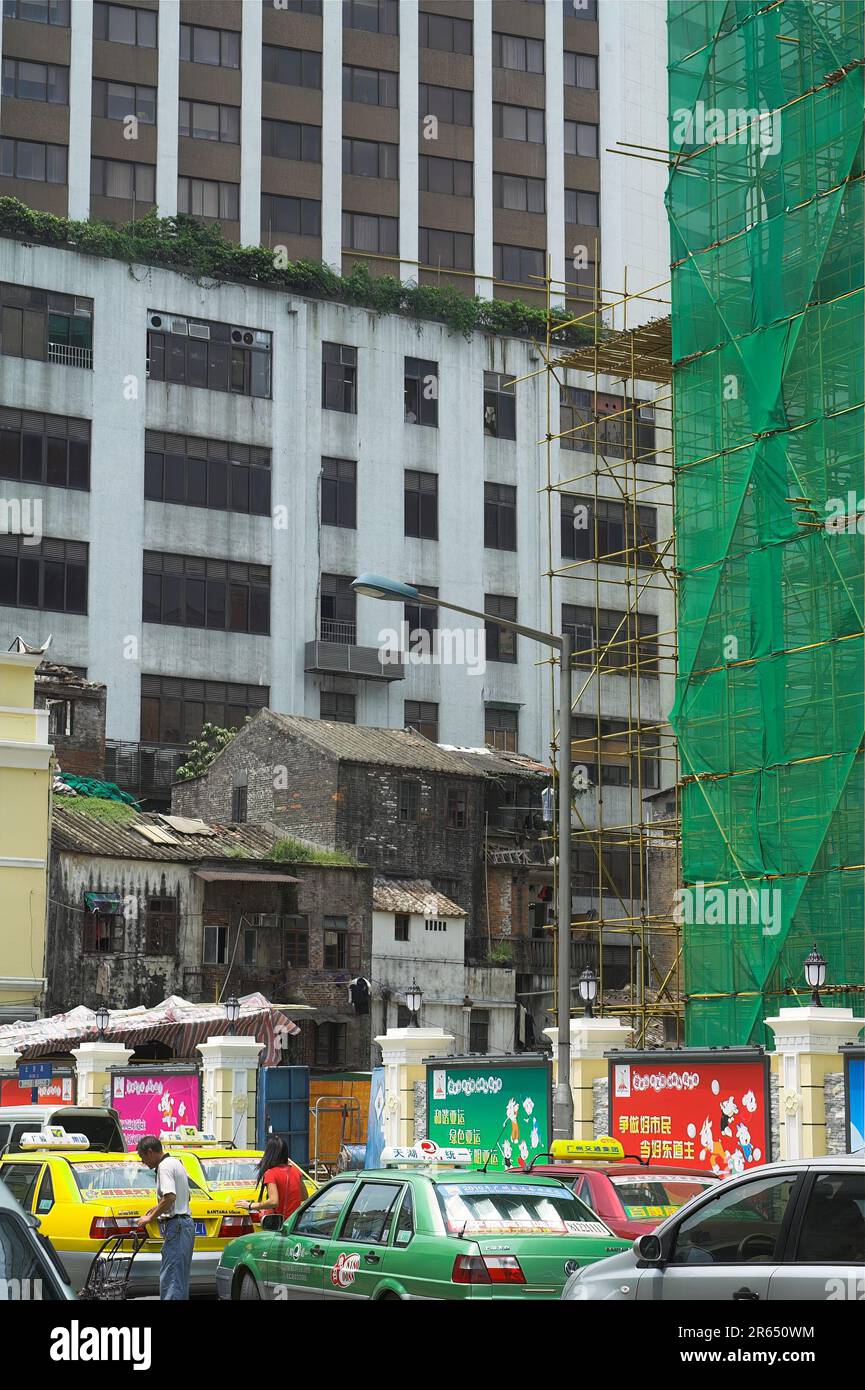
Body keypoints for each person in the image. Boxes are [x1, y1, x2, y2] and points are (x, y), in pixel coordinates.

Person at [135, 1134, 196, 1300]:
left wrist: (150, 1218)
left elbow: (170, 1197)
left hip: (177, 1226)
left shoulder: (164, 1167)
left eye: (142, 1157)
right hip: (184, 1225)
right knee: (178, 1277)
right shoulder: (175, 1162)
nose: (143, 1162)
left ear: (149, 1152)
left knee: (172, 1278)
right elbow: (184, 1197)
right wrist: (157, 1207)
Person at [237, 1136, 303, 1230]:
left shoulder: (271, 1173)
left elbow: (273, 1201)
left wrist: (250, 1206)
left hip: (280, 1226)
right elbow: (304, 1196)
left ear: (269, 1153)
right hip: (295, 1224)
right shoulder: (296, 1171)